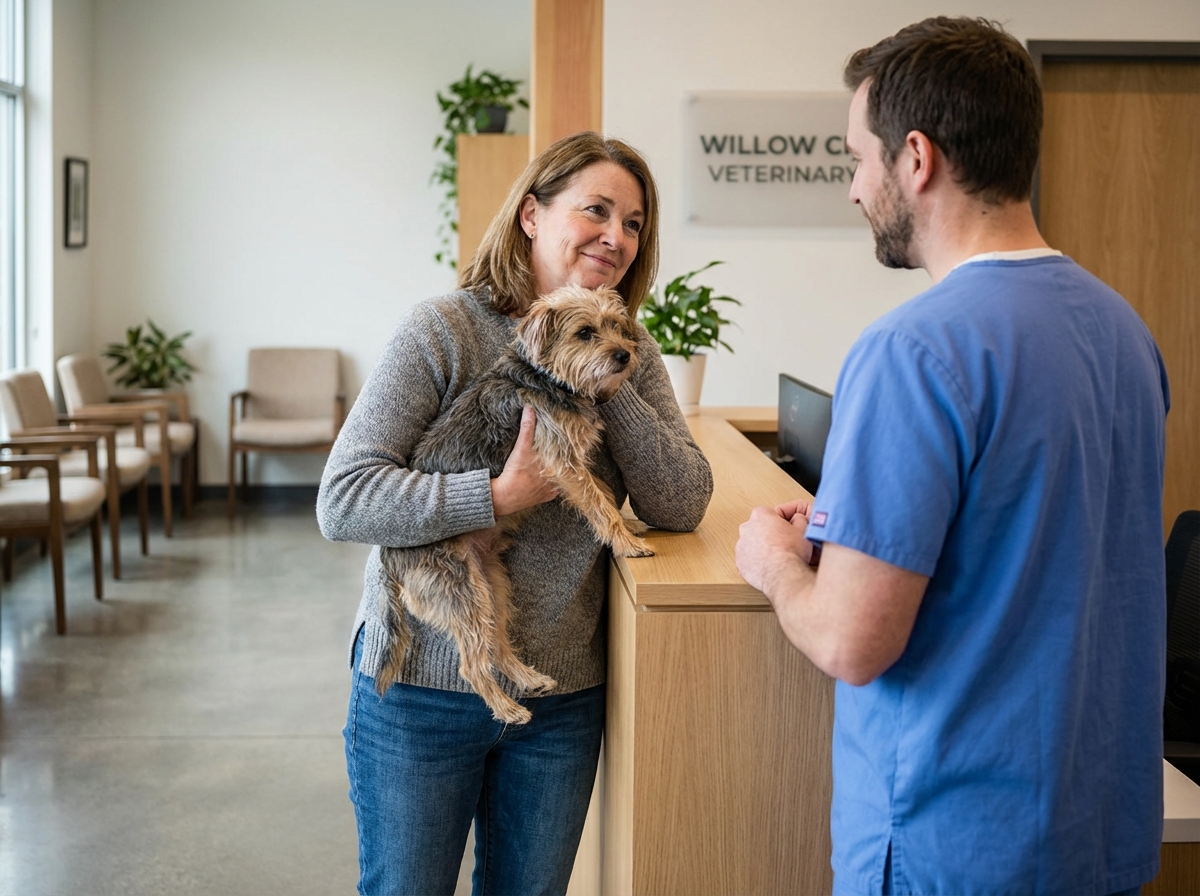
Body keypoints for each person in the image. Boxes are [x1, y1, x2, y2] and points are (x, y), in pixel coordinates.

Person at [735, 18, 1169, 896]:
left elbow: (852, 641)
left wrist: (776, 564)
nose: (854, 189)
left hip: (956, 846)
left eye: (859, 159)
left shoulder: (911, 351)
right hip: (1096, 835)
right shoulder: (1124, 331)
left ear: (916, 158)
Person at [317, 131, 713, 896]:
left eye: (634, 223)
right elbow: (344, 499)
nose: (617, 236)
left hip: (561, 697)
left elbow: (682, 501)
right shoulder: (442, 328)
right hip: (423, 692)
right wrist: (497, 496)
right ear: (532, 215)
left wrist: (600, 364)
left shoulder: (628, 347)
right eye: (596, 210)